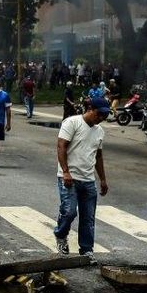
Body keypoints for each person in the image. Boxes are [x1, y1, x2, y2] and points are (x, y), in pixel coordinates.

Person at [54, 97, 109, 263]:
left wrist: (103, 179)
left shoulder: (99, 131)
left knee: (88, 218)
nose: (101, 118)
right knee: (70, 211)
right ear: (90, 109)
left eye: (105, 116)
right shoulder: (72, 123)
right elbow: (61, 146)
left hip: (88, 180)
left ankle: (86, 250)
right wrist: (65, 172)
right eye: (99, 114)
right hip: (69, 177)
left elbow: (98, 156)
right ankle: (61, 234)